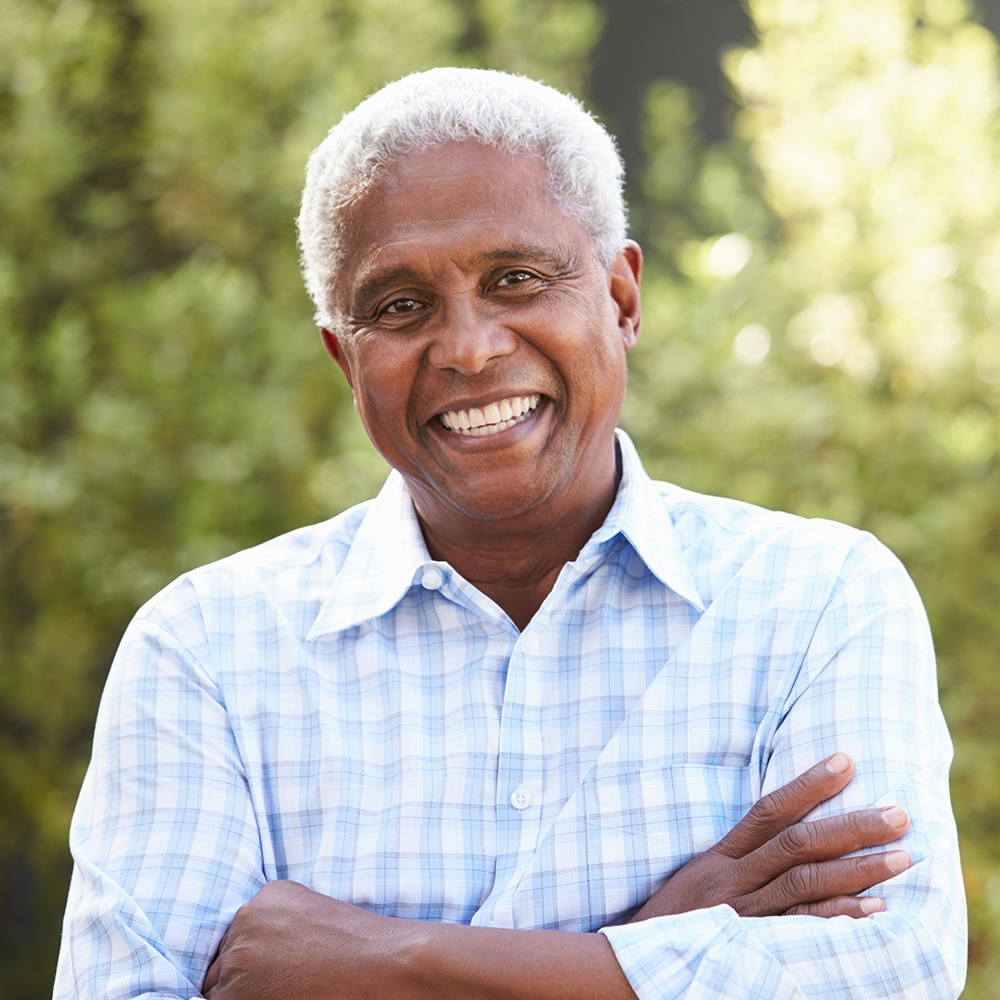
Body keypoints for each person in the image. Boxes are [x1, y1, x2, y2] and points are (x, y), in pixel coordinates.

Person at [54, 68, 966, 999]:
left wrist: (391, 963)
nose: (470, 348)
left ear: (621, 299)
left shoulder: (817, 600)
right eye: (400, 306)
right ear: (344, 356)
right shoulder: (205, 650)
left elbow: (890, 972)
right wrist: (652, 948)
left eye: (517, 279)